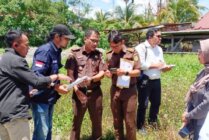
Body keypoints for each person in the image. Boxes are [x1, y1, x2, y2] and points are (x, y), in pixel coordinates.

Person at [0, 30, 69, 140]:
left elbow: (10, 85)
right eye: (26, 45)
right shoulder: (16, 60)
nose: (29, 48)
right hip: (15, 115)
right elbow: (36, 80)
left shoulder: (4, 58)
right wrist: (56, 76)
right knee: (42, 132)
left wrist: (26, 93)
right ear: (15, 45)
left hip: (4, 113)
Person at [30, 24, 74, 140]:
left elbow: (52, 72)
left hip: (49, 97)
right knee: (41, 133)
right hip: (40, 97)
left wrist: (59, 85)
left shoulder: (57, 51)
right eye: (66, 38)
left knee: (48, 130)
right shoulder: (45, 51)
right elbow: (36, 76)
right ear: (57, 37)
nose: (68, 41)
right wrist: (55, 87)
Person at [65, 29, 106, 140]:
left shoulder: (99, 54)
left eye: (97, 41)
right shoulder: (74, 54)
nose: (95, 43)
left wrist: (92, 79)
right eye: (93, 40)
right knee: (76, 122)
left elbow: (102, 72)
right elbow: (70, 76)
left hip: (96, 93)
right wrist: (77, 91)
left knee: (97, 121)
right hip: (79, 92)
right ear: (85, 39)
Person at [135, 28, 172, 131]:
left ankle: (152, 123)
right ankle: (140, 126)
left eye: (161, 36)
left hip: (156, 80)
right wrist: (155, 65)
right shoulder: (141, 48)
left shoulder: (159, 49)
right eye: (158, 36)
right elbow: (140, 64)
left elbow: (161, 63)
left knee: (156, 103)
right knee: (143, 104)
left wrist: (165, 67)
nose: (160, 38)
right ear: (150, 37)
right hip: (145, 80)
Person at [105, 30, 140, 140]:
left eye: (116, 46)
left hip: (129, 91)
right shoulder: (109, 54)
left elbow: (138, 72)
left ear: (122, 42)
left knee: (130, 122)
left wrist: (125, 72)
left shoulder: (132, 53)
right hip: (115, 90)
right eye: (111, 46)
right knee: (116, 120)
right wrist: (108, 74)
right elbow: (108, 70)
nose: (114, 48)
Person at [181, 38, 209, 140]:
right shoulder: (203, 72)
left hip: (204, 124)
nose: (198, 54)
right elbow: (193, 95)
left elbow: (206, 104)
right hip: (195, 120)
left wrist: (189, 115)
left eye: (201, 51)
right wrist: (187, 113)